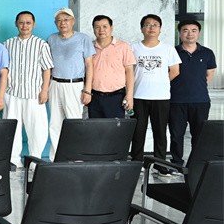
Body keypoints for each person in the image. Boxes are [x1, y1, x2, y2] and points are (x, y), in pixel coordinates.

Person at [130, 14, 181, 172]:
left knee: (160, 132)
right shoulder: (133, 48)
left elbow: (175, 71)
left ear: (160, 29)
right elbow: (129, 72)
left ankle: (161, 164)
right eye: (147, 24)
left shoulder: (168, 49)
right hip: (138, 96)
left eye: (155, 25)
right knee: (138, 132)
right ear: (141, 29)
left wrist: (161, 81)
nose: (151, 28)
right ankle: (136, 163)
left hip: (161, 97)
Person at [4, 11, 53, 167]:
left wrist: (44, 90)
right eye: (21, 22)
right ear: (16, 24)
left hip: (34, 94)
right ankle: (13, 160)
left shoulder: (41, 44)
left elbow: (47, 69)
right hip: (12, 93)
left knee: (37, 129)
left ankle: (34, 160)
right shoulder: (8, 44)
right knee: (12, 128)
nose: (24, 26)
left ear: (33, 24)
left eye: (28, 23)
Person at [46, 8, 95, 160]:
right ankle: (56, 158)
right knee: (55, 123)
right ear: (55, 23)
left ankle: (75, 157)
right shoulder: (51, 39)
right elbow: (48, 66)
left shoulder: (83, 38)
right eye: (59, 20)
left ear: (73, 21)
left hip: (75, 85)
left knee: (74, 122)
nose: (63, 23)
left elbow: (89, 64)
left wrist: (87, 90)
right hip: (55, 84)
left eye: (66, 19)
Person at [168, 20, 215, 167]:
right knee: (176, 135)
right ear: (180, 33)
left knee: (199, 135)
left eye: (194, 30)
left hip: (200, 101)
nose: (190, 34)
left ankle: (196, 164)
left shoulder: (207, 53)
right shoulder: (172, 51)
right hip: (176, 101)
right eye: (185, 30)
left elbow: (209, 75)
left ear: (198, 33)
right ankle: (176, 163)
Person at [88, 15, 135, 119]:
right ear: (93, 29)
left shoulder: (123, 46)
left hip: (116, 97)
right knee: (95, 128)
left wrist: (129, 95)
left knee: (115, 128)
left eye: (105, 26)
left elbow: (129, 72)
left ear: (111, 28)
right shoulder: (89, 47)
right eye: (97, 27)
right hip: (94, 97)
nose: (101, 30)